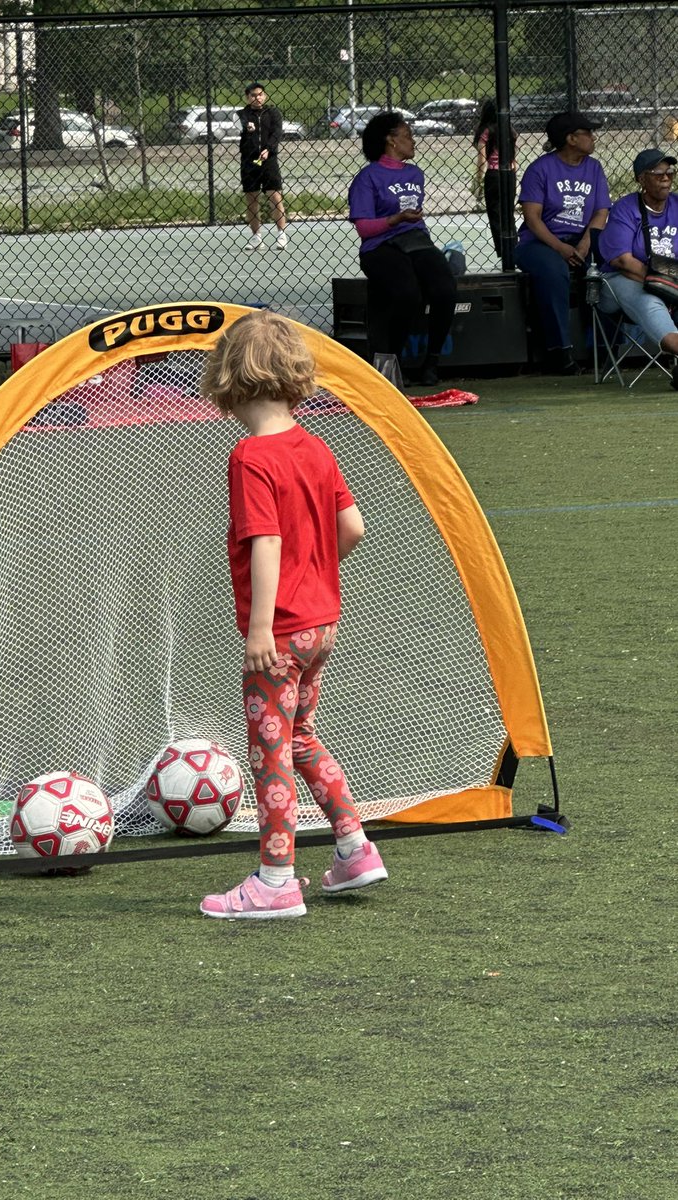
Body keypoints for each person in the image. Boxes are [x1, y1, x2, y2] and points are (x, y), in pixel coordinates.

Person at [198, 310, 387, 920]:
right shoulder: (315, 446)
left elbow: (267, 541)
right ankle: (355, 849)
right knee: (299, 737)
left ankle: (277, 879)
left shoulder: (252, 456)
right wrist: (317, 574)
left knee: (270, 752)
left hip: (278, 634)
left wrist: (260, 628)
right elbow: (353, 527)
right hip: (322, 625)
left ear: (228, 377)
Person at [348, 111, 457, 386]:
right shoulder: (367, 177)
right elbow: (364, 229)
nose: (413, 141)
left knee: (444, 287)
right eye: (407, 135)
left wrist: (406, 222)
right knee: (407, 293)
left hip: (414, 239)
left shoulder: (415, 173)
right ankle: (393, 364)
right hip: (379, 245)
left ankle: (430, 362)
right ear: (391, 141)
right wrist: (395, 219)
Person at [514, 111, 611, 374]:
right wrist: (560, 248)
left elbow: (601, 211)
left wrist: (584, 244)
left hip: (582, 240)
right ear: (571, 139)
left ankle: (605, 349)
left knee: (603, 272)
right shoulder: (540, 169)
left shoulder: (594, 168)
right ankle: (560, 352)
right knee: (554, 273)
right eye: (587, 133)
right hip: (539, 242)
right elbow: (532, 219)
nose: (593, 137)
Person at [597, 147, 678, 390]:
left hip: (669, 277)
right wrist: (665, 284)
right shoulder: (626, 208)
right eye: (658, 173)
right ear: (641, 179)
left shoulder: (676, 205)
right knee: (649, 299)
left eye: (670, 172)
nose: (666, 178)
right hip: (619, 280)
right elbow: (621, 260)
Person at [238, 83, 288, 251]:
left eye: (260, 94)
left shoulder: (273, 113)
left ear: (264, 96)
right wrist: (247, 128)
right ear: (247, 97)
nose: (257, 97)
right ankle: (256, 238)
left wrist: (269, 150)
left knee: (275, 197)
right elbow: (241, 129)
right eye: (253, 95)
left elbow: (277, 133)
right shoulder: (242, 115)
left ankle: (281, 235)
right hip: (249, 162)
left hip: (269, 161)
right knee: (251, 200)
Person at [472, 98, 517, 258]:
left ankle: (504, 252)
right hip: (510, 173)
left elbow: (482, 160)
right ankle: (514, 248)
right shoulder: (509, 130)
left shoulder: (486, 131)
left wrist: (478, 180)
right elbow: (514, 157)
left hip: (494, 174)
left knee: (496, 214)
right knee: (508, 212)